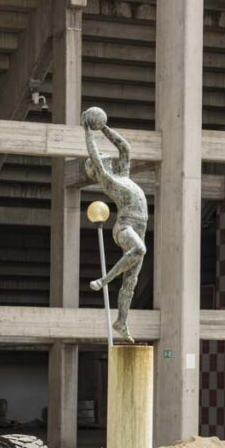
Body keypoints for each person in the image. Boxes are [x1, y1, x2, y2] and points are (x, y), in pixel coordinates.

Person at [82, 108, 148, 343]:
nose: (102, 155)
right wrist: (88, 130)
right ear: (96, 171)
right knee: (140, 250)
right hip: (124, 227)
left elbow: (125, 148)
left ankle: (121, 321)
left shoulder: (123, 174)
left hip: (139, 226)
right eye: (97, 159)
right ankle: (105, 279)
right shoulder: (108, 180)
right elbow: (96, 158)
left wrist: (105, 129)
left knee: (131, 280)